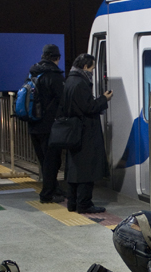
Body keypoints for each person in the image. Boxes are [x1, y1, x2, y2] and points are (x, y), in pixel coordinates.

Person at [53, 53, 113, 213]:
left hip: (74, 132)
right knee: (87, 170)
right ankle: (84, 204)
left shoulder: (70, 81)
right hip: (85, 132)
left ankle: (72, 203)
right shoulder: (80, 83)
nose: (92, 71)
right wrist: (104, 99)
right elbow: (88, 107)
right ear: (85, 67)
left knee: (74, 170)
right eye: (92, 68)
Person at [28, 44, 66, 203]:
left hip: (33, 124)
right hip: (49, 126)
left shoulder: (33, 73)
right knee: (52, 161)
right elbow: (63, 100)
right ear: (57, 58)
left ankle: (54, 188)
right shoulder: (54, 76)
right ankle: (47, 194)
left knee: (44, 160)